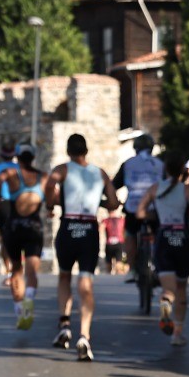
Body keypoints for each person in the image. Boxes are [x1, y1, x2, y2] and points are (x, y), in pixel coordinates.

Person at [44, 134, 119, 360]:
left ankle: (64, 324)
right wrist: (100, 202)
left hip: (68, 227)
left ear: (68, 151)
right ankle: (84, 335)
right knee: (86, 283)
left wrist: (50, 204)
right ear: (86, 151)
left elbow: (50, 183)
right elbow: (114, 202)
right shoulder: (100, 172)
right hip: (89, 230)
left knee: (64, 276)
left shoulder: (63, 169)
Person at [138, 152, 189, 346]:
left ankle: (166, 299)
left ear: (165, 169)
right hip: (182, 237)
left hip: (164, 236)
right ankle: (177, 333)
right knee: (181, 286)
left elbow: (140, 212)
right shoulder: (188, 189)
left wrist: (155, 216)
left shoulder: (155, 188)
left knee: (169, 287)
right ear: (183, 169)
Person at [0, 144, 45, 329]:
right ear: (33, 158)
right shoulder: (42, 177)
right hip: (33, 227)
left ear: (18, 158)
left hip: (14, 226)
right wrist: (51, 206)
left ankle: (18, 308)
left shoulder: (11, 174)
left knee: (16, 269)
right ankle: (29, 298)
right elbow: (53, 196)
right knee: (32, 271)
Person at [113, 134, 164, 282]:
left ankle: (132, 269)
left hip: (133, 206)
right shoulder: (160, 164)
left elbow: (115, 185)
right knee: (159, 234)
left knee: (130, 234)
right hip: (155, 207)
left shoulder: (128, 164)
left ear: (135, 148)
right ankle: (159, 265)